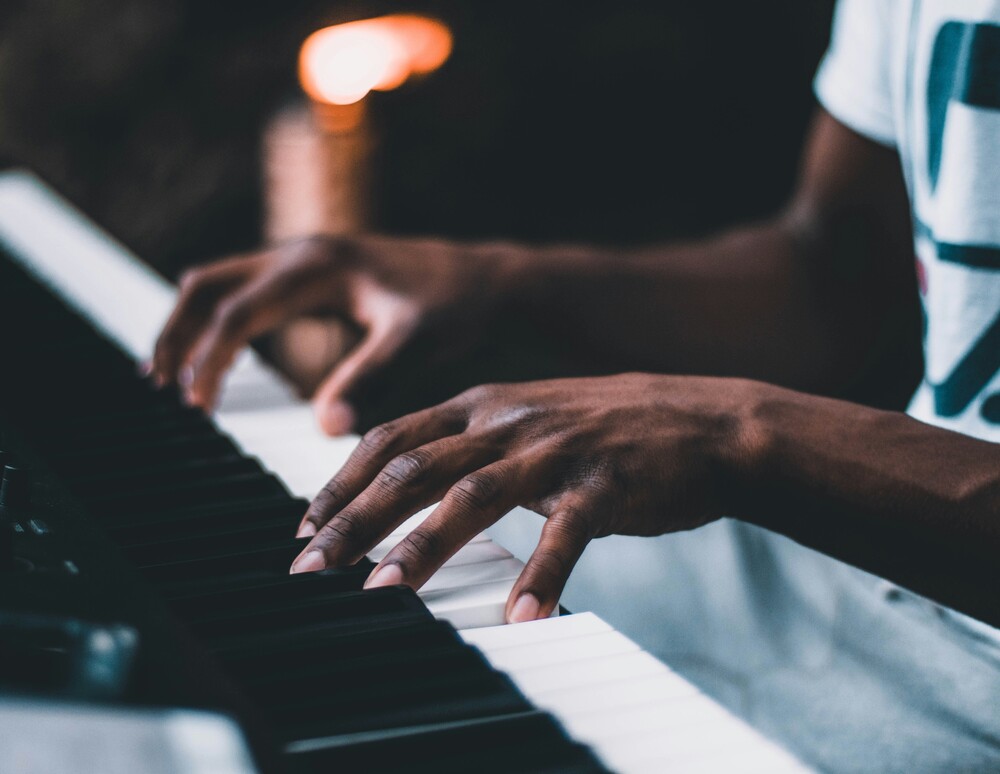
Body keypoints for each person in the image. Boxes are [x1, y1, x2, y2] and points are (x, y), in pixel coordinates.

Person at [151, 1, 999, 770]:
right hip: (865, 571)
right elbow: (834, 276)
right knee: (396, 572)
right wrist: (501, 280)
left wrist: (735, 431)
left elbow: (765, 402)